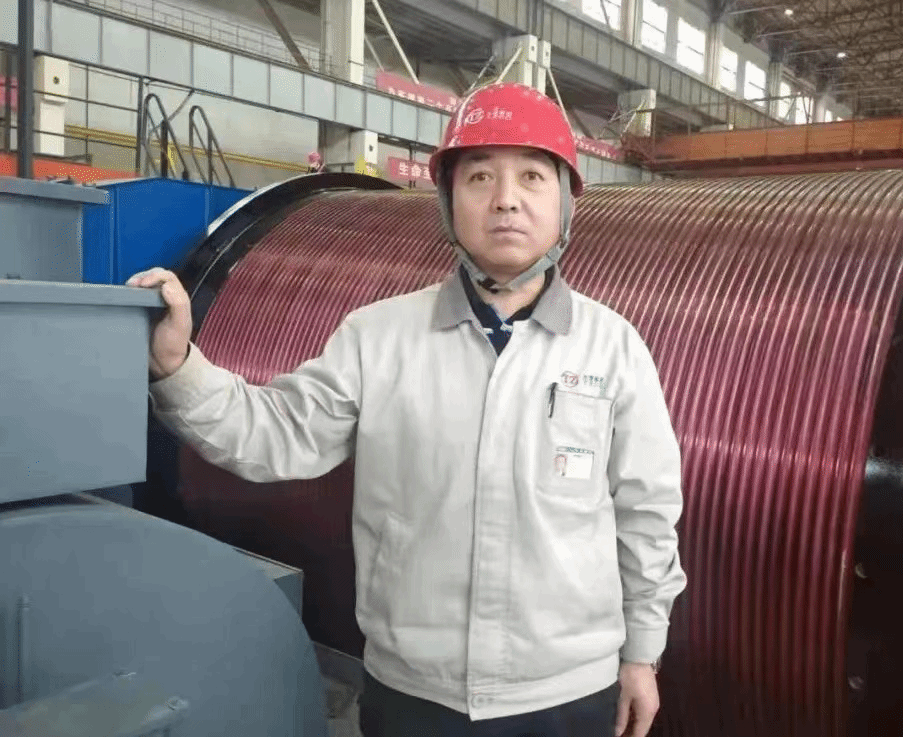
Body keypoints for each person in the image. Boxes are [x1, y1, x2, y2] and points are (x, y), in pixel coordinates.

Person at [127, 82, 686, 737]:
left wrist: (642, 654)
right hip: (417, 691)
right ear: (448, 202)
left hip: (567, 691)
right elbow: (273, 435)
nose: (506, 198)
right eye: (480, 177)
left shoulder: (612, 346)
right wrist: (177, 366)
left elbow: (646, 511)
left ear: (564, 204)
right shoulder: (378, 337)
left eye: (533, 176)